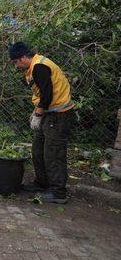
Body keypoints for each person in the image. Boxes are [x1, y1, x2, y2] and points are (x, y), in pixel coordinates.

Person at [9, 41, 76, 204]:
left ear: (24, 57)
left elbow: (47, 95)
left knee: (53, 154)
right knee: (38, 150)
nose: (16, 66)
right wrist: (37, 112)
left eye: (16, 62)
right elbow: (41, 96)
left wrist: (38, 115)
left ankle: (58, 192)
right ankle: (42, 183)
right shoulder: (35, 67)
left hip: (59, 116)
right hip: (49, 113)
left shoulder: (39, 67)